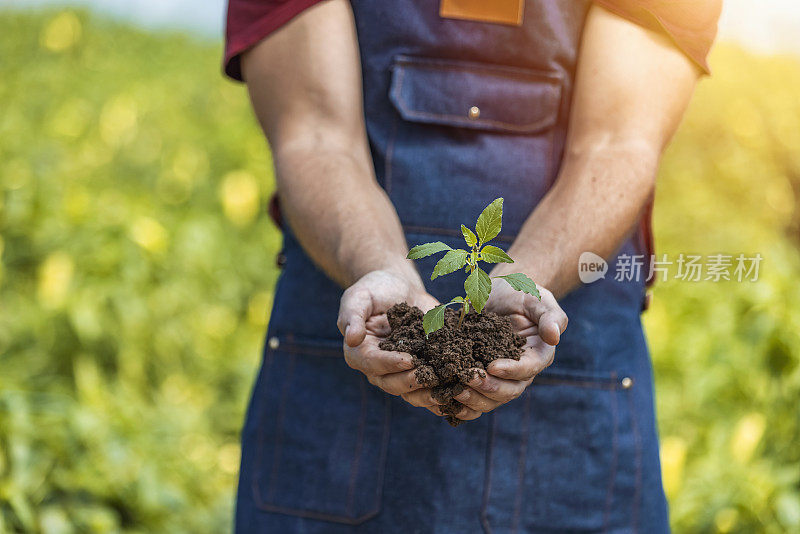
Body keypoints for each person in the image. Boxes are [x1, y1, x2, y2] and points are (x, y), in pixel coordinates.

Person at [224, 0, 720, 531]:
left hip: (572, 369)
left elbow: (620, 142)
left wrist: (525, 276)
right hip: (349, 353)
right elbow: (314, 137)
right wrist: (380, 265)